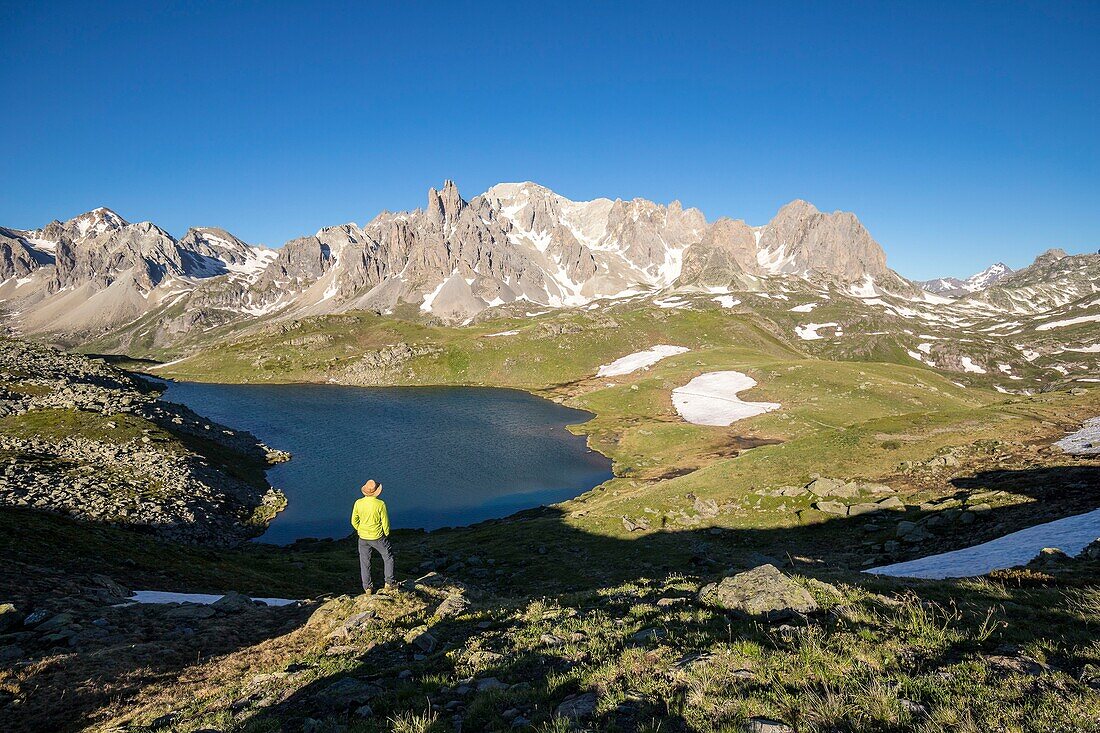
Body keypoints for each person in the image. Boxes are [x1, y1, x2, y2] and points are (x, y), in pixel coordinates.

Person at [351, 479, 395, 594]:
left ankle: (368, 588)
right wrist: (386, 533)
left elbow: (354, 521)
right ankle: (389, 583)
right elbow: (385, 522)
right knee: (388, 557)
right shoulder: (380, 504)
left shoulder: (358, 503)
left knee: (365, 562)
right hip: (377, 537)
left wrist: (359, 529)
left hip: (363, 537)